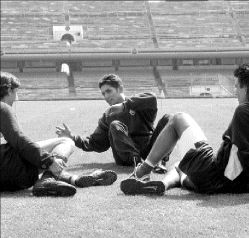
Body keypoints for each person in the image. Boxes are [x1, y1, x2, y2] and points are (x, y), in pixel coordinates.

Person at [120, 63, 249, 195]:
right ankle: (164, 184)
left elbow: (244, 154)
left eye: (237, 86)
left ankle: (142, 172)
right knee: (180, 164)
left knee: (178, 119)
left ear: (246, 88)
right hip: (220, 184)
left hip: (215, 176)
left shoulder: (244, 110)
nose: (235, 91)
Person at [0, 71, 117, 197]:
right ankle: (47, 179)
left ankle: (74, 179)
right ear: (9, 90)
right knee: (65, 141)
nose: (17, 98)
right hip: (12, 172)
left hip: (6, 182)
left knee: (33, 154)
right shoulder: (3, 107)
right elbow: (18, 139)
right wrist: (48, 160)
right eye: (16, 92)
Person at [56, 73, 170, 171]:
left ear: (120, 88)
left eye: (109, 91)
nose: (106, 96)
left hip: (149, 150)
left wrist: (122, 106)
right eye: (103, 93)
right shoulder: (108, 116)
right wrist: (72, 137)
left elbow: (152, 98)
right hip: (126, 157)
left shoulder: (138, 104)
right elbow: (96, 143)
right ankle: (138, 163)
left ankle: (160, 161)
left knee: (169, 118)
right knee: (115, 124)